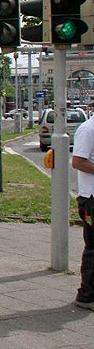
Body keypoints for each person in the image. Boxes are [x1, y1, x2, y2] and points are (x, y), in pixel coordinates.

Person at [71, 112, 94, 310]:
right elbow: (78, 162)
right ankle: (86, 296)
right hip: (91, 200)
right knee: (93, 248)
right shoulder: (88, 130)